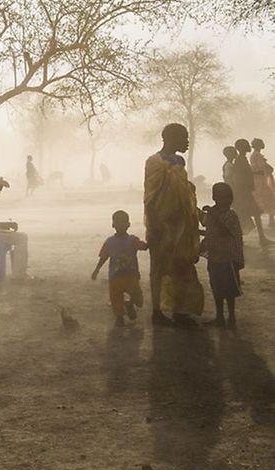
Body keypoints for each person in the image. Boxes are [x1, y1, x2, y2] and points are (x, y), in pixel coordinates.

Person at [143, 123, 203, 327]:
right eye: (183, 137)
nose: (187, 141)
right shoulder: (154, 162)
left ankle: (180, 310)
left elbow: (182, 191)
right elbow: (149, 198)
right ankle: (157, 312)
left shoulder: (179, 161)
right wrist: (154, 226)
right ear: (170, 138)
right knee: (159, 268)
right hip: (162, 223)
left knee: (181, 265)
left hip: (181, 224)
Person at [91, 210, 147, 327]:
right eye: (117, 222)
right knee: (116, 299)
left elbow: (143, 246)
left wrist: (149, 242)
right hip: (115, 277)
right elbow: (103, 257)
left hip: (131, 276)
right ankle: (119, 317)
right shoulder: (109, 242)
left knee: (138, 298)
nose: (120, 225)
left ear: (128, 224)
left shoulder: (132, 240)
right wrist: (96, 270)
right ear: (113, 225)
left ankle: (130, 304)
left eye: (123, 222)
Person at [200, 182, 244, 329]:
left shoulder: (230, 214)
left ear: (228, 198)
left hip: (227, 258)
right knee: (216, 287)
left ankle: (231, 317)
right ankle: (219, 316)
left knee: (229, 289)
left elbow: (226, 232)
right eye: (216, 195)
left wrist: (211, 213)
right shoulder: (212, 214)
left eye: (221, 196)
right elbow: (209, 230)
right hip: (214, 256)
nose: (218, 198)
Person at [233, 138, 270, 246]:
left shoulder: (242, 159)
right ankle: (259, 238)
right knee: (245, 215)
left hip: (245, 191)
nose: (249, 146)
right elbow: (239, 177)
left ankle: (261, 238)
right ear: (242, 148)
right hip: (244, 192)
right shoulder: (240, 160)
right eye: (247, 145)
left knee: (254, 214)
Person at [249, 138, 275, 228]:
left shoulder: (256, 155)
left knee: (268, 199)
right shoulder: (257, 155)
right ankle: (270, 221)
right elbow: (259, 169)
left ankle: (271, 220)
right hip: (260, 182)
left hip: (260, 181)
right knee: (268, 199)